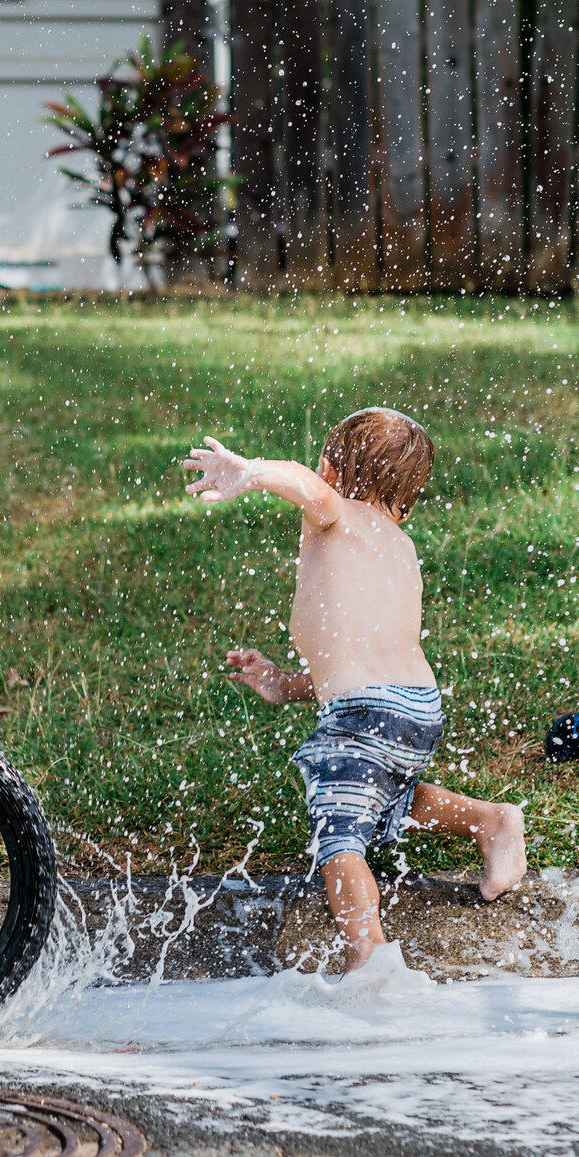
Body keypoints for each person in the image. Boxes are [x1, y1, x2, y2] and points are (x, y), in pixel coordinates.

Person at [183, 409, 526, 972]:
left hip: (366, 712)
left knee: (340, 836)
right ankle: (490, 821)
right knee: (381, 796)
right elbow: (352, 659)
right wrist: (281, 684)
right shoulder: (400, 546)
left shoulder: (333, 512)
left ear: (331, 468)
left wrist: (249, 472)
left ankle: (369, 962)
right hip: (417, 709)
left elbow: (306, 486)